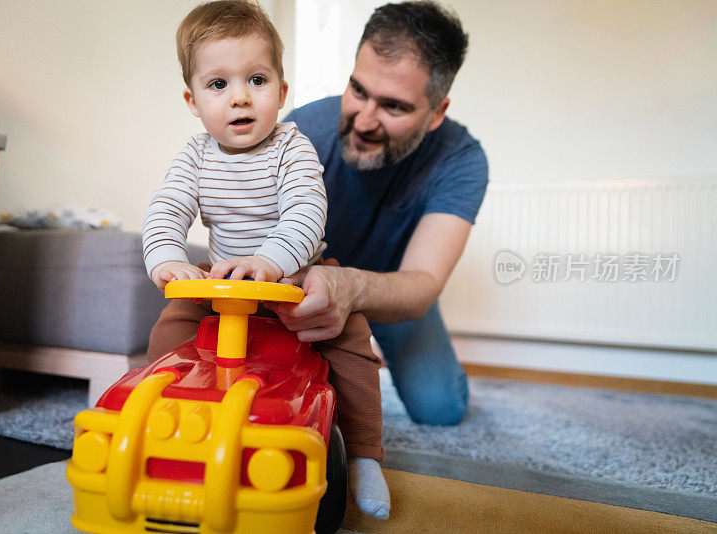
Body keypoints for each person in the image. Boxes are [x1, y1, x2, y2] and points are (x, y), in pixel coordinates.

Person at [142, 0, 390, 520]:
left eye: (256, 80)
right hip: (222, 290)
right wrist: (167, 257)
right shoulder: (194, 156)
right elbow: (167, 209)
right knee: (167, 335)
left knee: (352, 340)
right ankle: (164, 429)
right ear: (192, 101)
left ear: (281, 92)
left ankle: (367, 453)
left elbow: (306, 211)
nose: (239, 98)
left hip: (298, 284)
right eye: (218, 85)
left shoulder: (291, 148)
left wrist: (271, 261)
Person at [267, 0, 488, 428]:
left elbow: (422, 283)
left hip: (392, 293)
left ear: (437, 112)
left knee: (441, 409)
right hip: (304, 286)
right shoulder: (302, 131)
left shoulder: (463, 160)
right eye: (358, 91)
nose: (364, 121)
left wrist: (351, 288)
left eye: (394, 107)